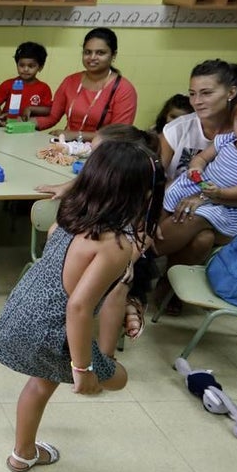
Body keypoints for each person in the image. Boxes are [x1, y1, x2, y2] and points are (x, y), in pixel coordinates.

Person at [0, 140, 157, 472]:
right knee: (118, 379)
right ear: (138, 194)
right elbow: (78, 307)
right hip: (53, 329)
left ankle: (22, 454)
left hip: (23, 307)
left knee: (40, 382)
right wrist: (83, 369)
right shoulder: (116, 244)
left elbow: (64, 261)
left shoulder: (71, 214)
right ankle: (23, 451)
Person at [35, 124, 162, 347]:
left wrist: (121, 267)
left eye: (97, 155)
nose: (92, 161)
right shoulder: (91, 193)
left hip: (122, 261)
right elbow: (56, 236)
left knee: (119, 286)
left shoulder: (138, 197)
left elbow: (144, 237)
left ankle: (107, 354)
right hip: (81, 264)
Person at [156, 59, 237, 314]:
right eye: (192, 94)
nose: (197, 101)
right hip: (176, 207)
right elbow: (155, 174)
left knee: (196, 219)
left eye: (206, 93)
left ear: (231, 93)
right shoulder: (178, 128)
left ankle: (132, 261)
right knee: (201, 240)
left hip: (230, 213)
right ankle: (168, 283)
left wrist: (205, 198)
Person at [158, 94, 237, 257]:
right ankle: (151, 240)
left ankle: (150, 252)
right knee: (168, 194)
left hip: (229, 205)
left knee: (192, 215)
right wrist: (196, 168)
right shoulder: (228, 139)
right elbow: (202, 158)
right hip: (203, 187)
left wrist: (219, 194)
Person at [28, 28, 137, 138]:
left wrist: (76, 135)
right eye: (87, 52)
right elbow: (52, 116)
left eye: (100, 53)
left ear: (113, 55)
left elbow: (119, 135)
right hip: (66, 147)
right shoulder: (70, 81)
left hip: (102, 151)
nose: (92, 57)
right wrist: (23, 124)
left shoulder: (124, 89)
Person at [0, 42, 52, 126]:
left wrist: (30, 109)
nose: (25, 69)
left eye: (31, 66)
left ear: (40, 67)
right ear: (17, 65)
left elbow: (48, 110)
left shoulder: (44, 88)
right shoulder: (8, 83)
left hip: (27, 128)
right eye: (21, 65)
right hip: (5, 126)